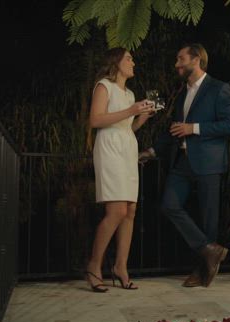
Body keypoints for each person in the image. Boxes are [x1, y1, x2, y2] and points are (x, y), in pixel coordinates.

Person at [139, 43, 230, 287]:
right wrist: (151, 151)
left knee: (208, 220)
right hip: (182, 163)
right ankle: (209, 250)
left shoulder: (219, 89)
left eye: (180, 58)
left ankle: (202, 271)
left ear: (196, 59)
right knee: (169, 205)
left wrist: (193, 128)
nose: (177, 64)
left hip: (209, 163)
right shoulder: (183, 93)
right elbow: (173, 130)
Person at [85, 47, 155, 292]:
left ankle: (120, 267)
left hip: (127, 149)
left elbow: (126, 128)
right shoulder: (104, 86)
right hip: (109, 149)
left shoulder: (130, 93)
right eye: (129, 58)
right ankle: (94, 266)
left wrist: (141, 118)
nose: (133, 62)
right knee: (116, 211)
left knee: (130, 211)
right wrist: (131, 110)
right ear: (116, 62)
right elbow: (95, 120)